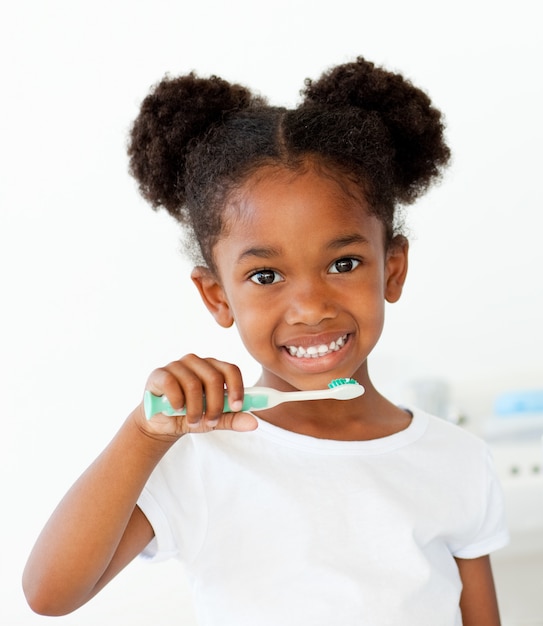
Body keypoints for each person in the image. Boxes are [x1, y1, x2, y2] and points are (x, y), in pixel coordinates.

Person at [22, 56, 509, 625]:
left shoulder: (458, 461)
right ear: (217, 296)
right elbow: (49, 594)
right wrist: (143, 434)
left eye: (344, 262)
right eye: (266, 276)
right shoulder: (202, 457)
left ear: (392, 269)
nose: (310, 307)